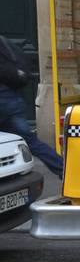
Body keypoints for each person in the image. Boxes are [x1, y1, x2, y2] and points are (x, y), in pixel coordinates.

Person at [0, 34, 64, 178]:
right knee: (31, 142)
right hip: (13, 100)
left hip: (3, 101)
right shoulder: (4, 42)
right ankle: (64, 170)